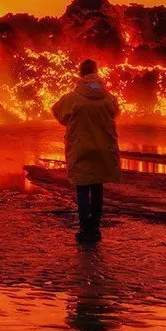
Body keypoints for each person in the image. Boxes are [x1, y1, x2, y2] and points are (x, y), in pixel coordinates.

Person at [50, 58, 122, 243]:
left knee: (82, 188)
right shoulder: (107, 97)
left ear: (80, 74)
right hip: (102, 148)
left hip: (81, 148)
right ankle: (95, 227)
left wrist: (72, 123)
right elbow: (116, 111)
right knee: (97, 187)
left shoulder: (73, 98)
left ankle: (84, 229)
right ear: (97, 73)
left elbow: (57, 111)